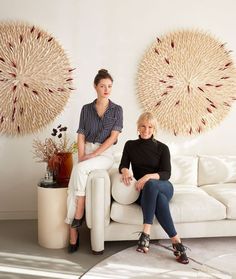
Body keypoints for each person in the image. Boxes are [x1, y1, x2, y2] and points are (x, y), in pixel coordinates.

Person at [119, 112, 189, 264]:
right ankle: (177, 241)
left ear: (154, 129)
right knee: (159, 200)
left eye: (150, 127)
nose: (146, 130)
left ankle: (146, 233)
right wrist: (125, 170)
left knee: (152, 185)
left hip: (163, 186)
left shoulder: (162, 148)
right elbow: (123, 165)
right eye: (143, 126)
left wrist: (148, 176)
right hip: (146, 192)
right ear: (138, 127)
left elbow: (166, 173)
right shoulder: (130, 145)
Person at [65, 69, 123, 253]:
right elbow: (81, 134)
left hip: (105, 154)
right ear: (95, 87)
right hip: (87, 151)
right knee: (72, 185)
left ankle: (78, 212)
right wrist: (82, 155)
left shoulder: (117, 110)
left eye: (109, 86)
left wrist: (94, 154)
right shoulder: (86, 109)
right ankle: (73, 231)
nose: (106, 89)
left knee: (79, 171)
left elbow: (113, 137)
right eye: (102, 86)